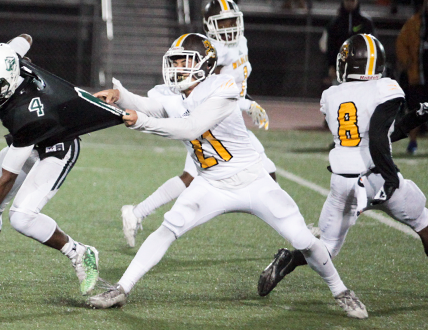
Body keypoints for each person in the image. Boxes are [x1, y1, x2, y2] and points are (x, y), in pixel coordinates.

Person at [88, 33, 368, 319]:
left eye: (184, 61)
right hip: (211, 183)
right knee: (169, 227)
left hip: (253, 181)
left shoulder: (222, 85)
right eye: (174, 61)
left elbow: (190, 127)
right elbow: (149, 104)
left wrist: (142, 123)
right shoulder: (171, 93)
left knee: (303, 240)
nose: (177, 67)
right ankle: (121, 288)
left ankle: (340, 290)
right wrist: (120, 96)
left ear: (206, 64)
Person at [0, 35, 125, 295]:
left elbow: (6, 179)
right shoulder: (11, 66)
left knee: (22, 217)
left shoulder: (24, 113)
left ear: (10, 80)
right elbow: (25, 38)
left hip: (57, 146)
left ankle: (81, 253)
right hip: (30, 139)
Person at [257, 34, 428, 298]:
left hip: (344, 182)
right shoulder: (385, 88)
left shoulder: (332, 95)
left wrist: (414, 118)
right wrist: (391, 177)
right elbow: (379, 138)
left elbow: (373, 134)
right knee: (422, 221)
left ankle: (288, 260)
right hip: (378, 176)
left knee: (325, 248)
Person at [120, 0, 275, 248]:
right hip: (208, 119)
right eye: (221, 22)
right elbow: (208, 91)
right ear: (208, 25)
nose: (228, 27)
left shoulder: (240, 43)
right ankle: (138, 213)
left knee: (258, 169)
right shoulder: (211, 51)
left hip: (225, 120)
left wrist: (246, 102)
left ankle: (137, 212)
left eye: (232, 21)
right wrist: (246, 105)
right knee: (194, 178)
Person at [396, 0, 428, 154]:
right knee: (417, 109)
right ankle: (413, 142)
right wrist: (407, 61)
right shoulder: (414, 22)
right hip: (419, 75)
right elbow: (401, 43)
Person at [322, 0, 376, 87]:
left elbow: (372, 45)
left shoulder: (366, 23)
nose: (350, 3)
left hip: (361, 69)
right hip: (340, 69)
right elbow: (330, 46)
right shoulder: (335, 23)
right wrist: (331, 65)